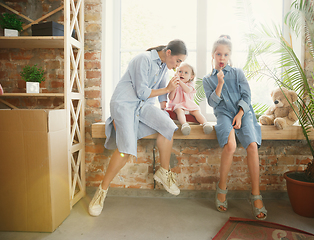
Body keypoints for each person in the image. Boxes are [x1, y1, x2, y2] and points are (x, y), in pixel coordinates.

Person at [88, 39, 187, 217]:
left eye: (181, 63)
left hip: (143, 107)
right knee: (126, 151)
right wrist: (166, 88)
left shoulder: (164, 67)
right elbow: (142, 92)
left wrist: (169, 99)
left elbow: (160, 98)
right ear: (169, 52)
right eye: (178, 60)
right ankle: (101, 192)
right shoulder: (143, 59)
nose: (178, 65)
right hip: (124, 104)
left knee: (168, 126)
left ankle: (164, 172)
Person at [202, 37, 267, 220]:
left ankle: (255, 195)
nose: (222, 57)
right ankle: (221, 189)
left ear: (230, 55)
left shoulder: (238, 72)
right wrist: (220, 83)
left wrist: (239, 114)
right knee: (230, 146)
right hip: (222, 114)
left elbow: (247, 95)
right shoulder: (208, 80)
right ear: (213, 55)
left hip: (243, 113)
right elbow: (212, 102)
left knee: (252, 146)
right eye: (218, 54)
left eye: (226, 54)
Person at [166, 62, 213, 135]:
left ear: (191, 77)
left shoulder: (190, 84)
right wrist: (174, 87)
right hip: (178, 104)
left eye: (186, 72)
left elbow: (187, 90)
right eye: (180, 71)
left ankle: (205, 123)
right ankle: (184, 125)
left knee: (196, 112)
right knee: (179, 110)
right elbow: (170, 97)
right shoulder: (175, 84)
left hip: (189, 105)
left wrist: (180, 82)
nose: (182, 74)